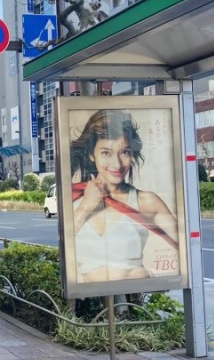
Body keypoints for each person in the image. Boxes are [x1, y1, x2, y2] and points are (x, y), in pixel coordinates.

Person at [70, 109, 178, 283]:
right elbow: (63, 243)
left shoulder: (147, 201)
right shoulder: (75, 199)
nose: (117, 164)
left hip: (133, 298)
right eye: (106, 153)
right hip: (92, 303)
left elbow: (186, 245)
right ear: (92, 154)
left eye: (124, 152)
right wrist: (86, 206)